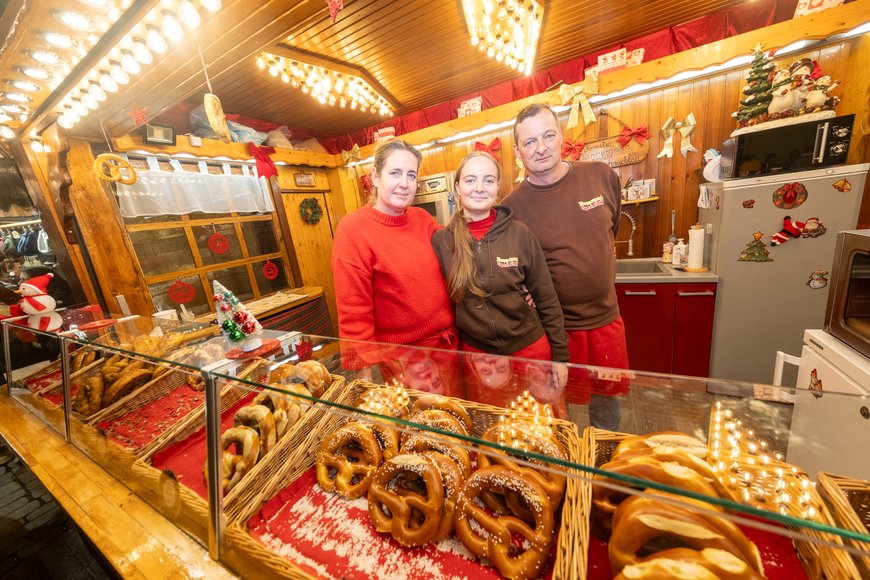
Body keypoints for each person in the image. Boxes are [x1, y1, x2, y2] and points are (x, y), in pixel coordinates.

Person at [504, 103, 629, 430]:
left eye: (548, 136)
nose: (541, 147)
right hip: (553, 332)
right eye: (530, 142)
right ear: (518, 151)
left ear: (561, 137)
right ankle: (566, 477)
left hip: (605, 323)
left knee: (607, 413)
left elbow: (610, 230)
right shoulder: (511, 208)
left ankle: (601, 470)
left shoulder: (601, 176)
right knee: (558, 415)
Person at [431, 151, 568, 408]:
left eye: (488, 180)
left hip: (530, 347)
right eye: (470, 180)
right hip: (480, 356)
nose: (479, 188)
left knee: (544, 429)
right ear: (458, 187)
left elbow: (546, 297)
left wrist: (560, 357)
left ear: (498, 188)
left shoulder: (519, 233)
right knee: (492, 430)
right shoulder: (443, 241)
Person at [331, 139, 459, 395]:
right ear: (376, 177)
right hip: (404, 358)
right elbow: (354, 309)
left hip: (451, 345)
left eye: (411, 175)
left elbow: (461, 257)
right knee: (422, 429)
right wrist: (363, 380)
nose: (404, 183)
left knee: (460, 422)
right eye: (395, 173)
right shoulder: (353, 230)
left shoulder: (423, 219)